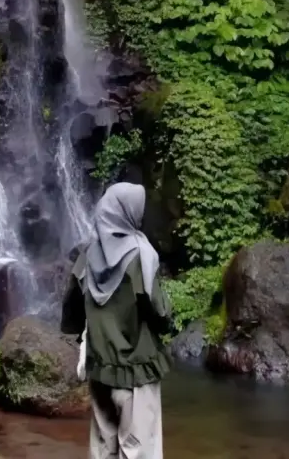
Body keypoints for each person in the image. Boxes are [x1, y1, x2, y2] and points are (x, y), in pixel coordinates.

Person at [61, 182, 171, 459]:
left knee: (102, 448)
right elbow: (160, 313)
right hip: (136, 369)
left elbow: (71, 312)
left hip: (100, 370)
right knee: (139, 450)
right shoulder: (140, 255)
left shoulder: (87, 255)